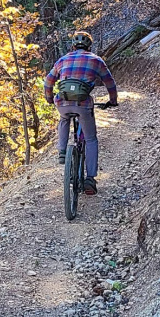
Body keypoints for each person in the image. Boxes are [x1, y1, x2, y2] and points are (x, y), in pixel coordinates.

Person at [43, 31, 118, 195]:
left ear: (73, 46)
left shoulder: (62, 60)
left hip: (62, 103)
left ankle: (62, 151)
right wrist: (112, 101)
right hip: (83, 104)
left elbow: (48, 81)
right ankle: (90, 179)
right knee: (91, 139)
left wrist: (49, 98)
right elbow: (110, 83)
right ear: (90, 46)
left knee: (63, 118)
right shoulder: (96, 60)